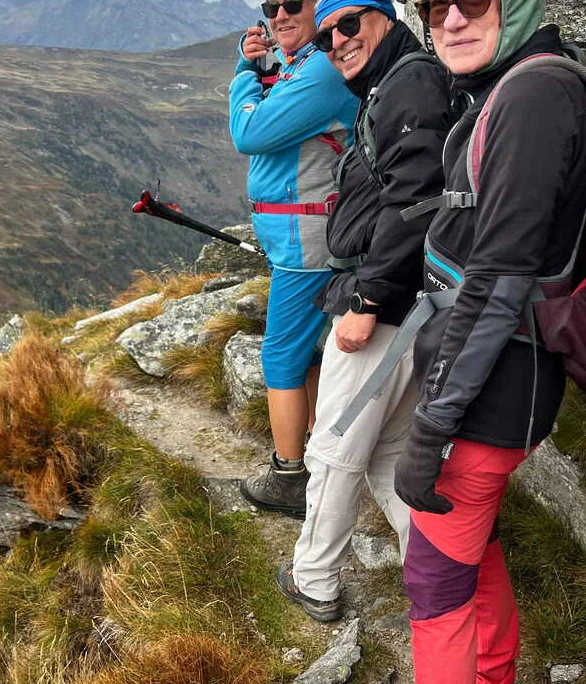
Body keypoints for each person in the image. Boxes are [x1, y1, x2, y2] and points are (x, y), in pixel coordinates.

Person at [395, 0, 586, 681]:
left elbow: (501, 279)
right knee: (470, 551)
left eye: (474, 1)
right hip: (500, 376)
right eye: (432, 5)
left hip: (494, 389)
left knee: (433, 583)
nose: (449, 19)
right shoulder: (522, 82)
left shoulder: (534, 94)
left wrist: (430, 430)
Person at [272, 0, 451, 622]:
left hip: (385, 309)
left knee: (334, 450)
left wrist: (368, 302)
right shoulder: (396, 83)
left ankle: (313, 578)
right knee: (388, 457)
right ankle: (440, 573)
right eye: (326, 38)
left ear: (386, 18)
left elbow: (417, 201)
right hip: (405, 306)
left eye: (350, 24)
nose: (338, 42)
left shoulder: (411, 83)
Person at [230, 0, 359, 519]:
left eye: (293, 3)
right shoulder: (302, 63)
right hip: (294, 235)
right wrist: (257, 59)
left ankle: (289, 476)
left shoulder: (323, 70)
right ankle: (314, 448)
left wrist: (242, 74)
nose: (280, 13)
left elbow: (250, 135)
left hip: (308, 243)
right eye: (270, 5)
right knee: (304, 352)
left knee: (280, 356)